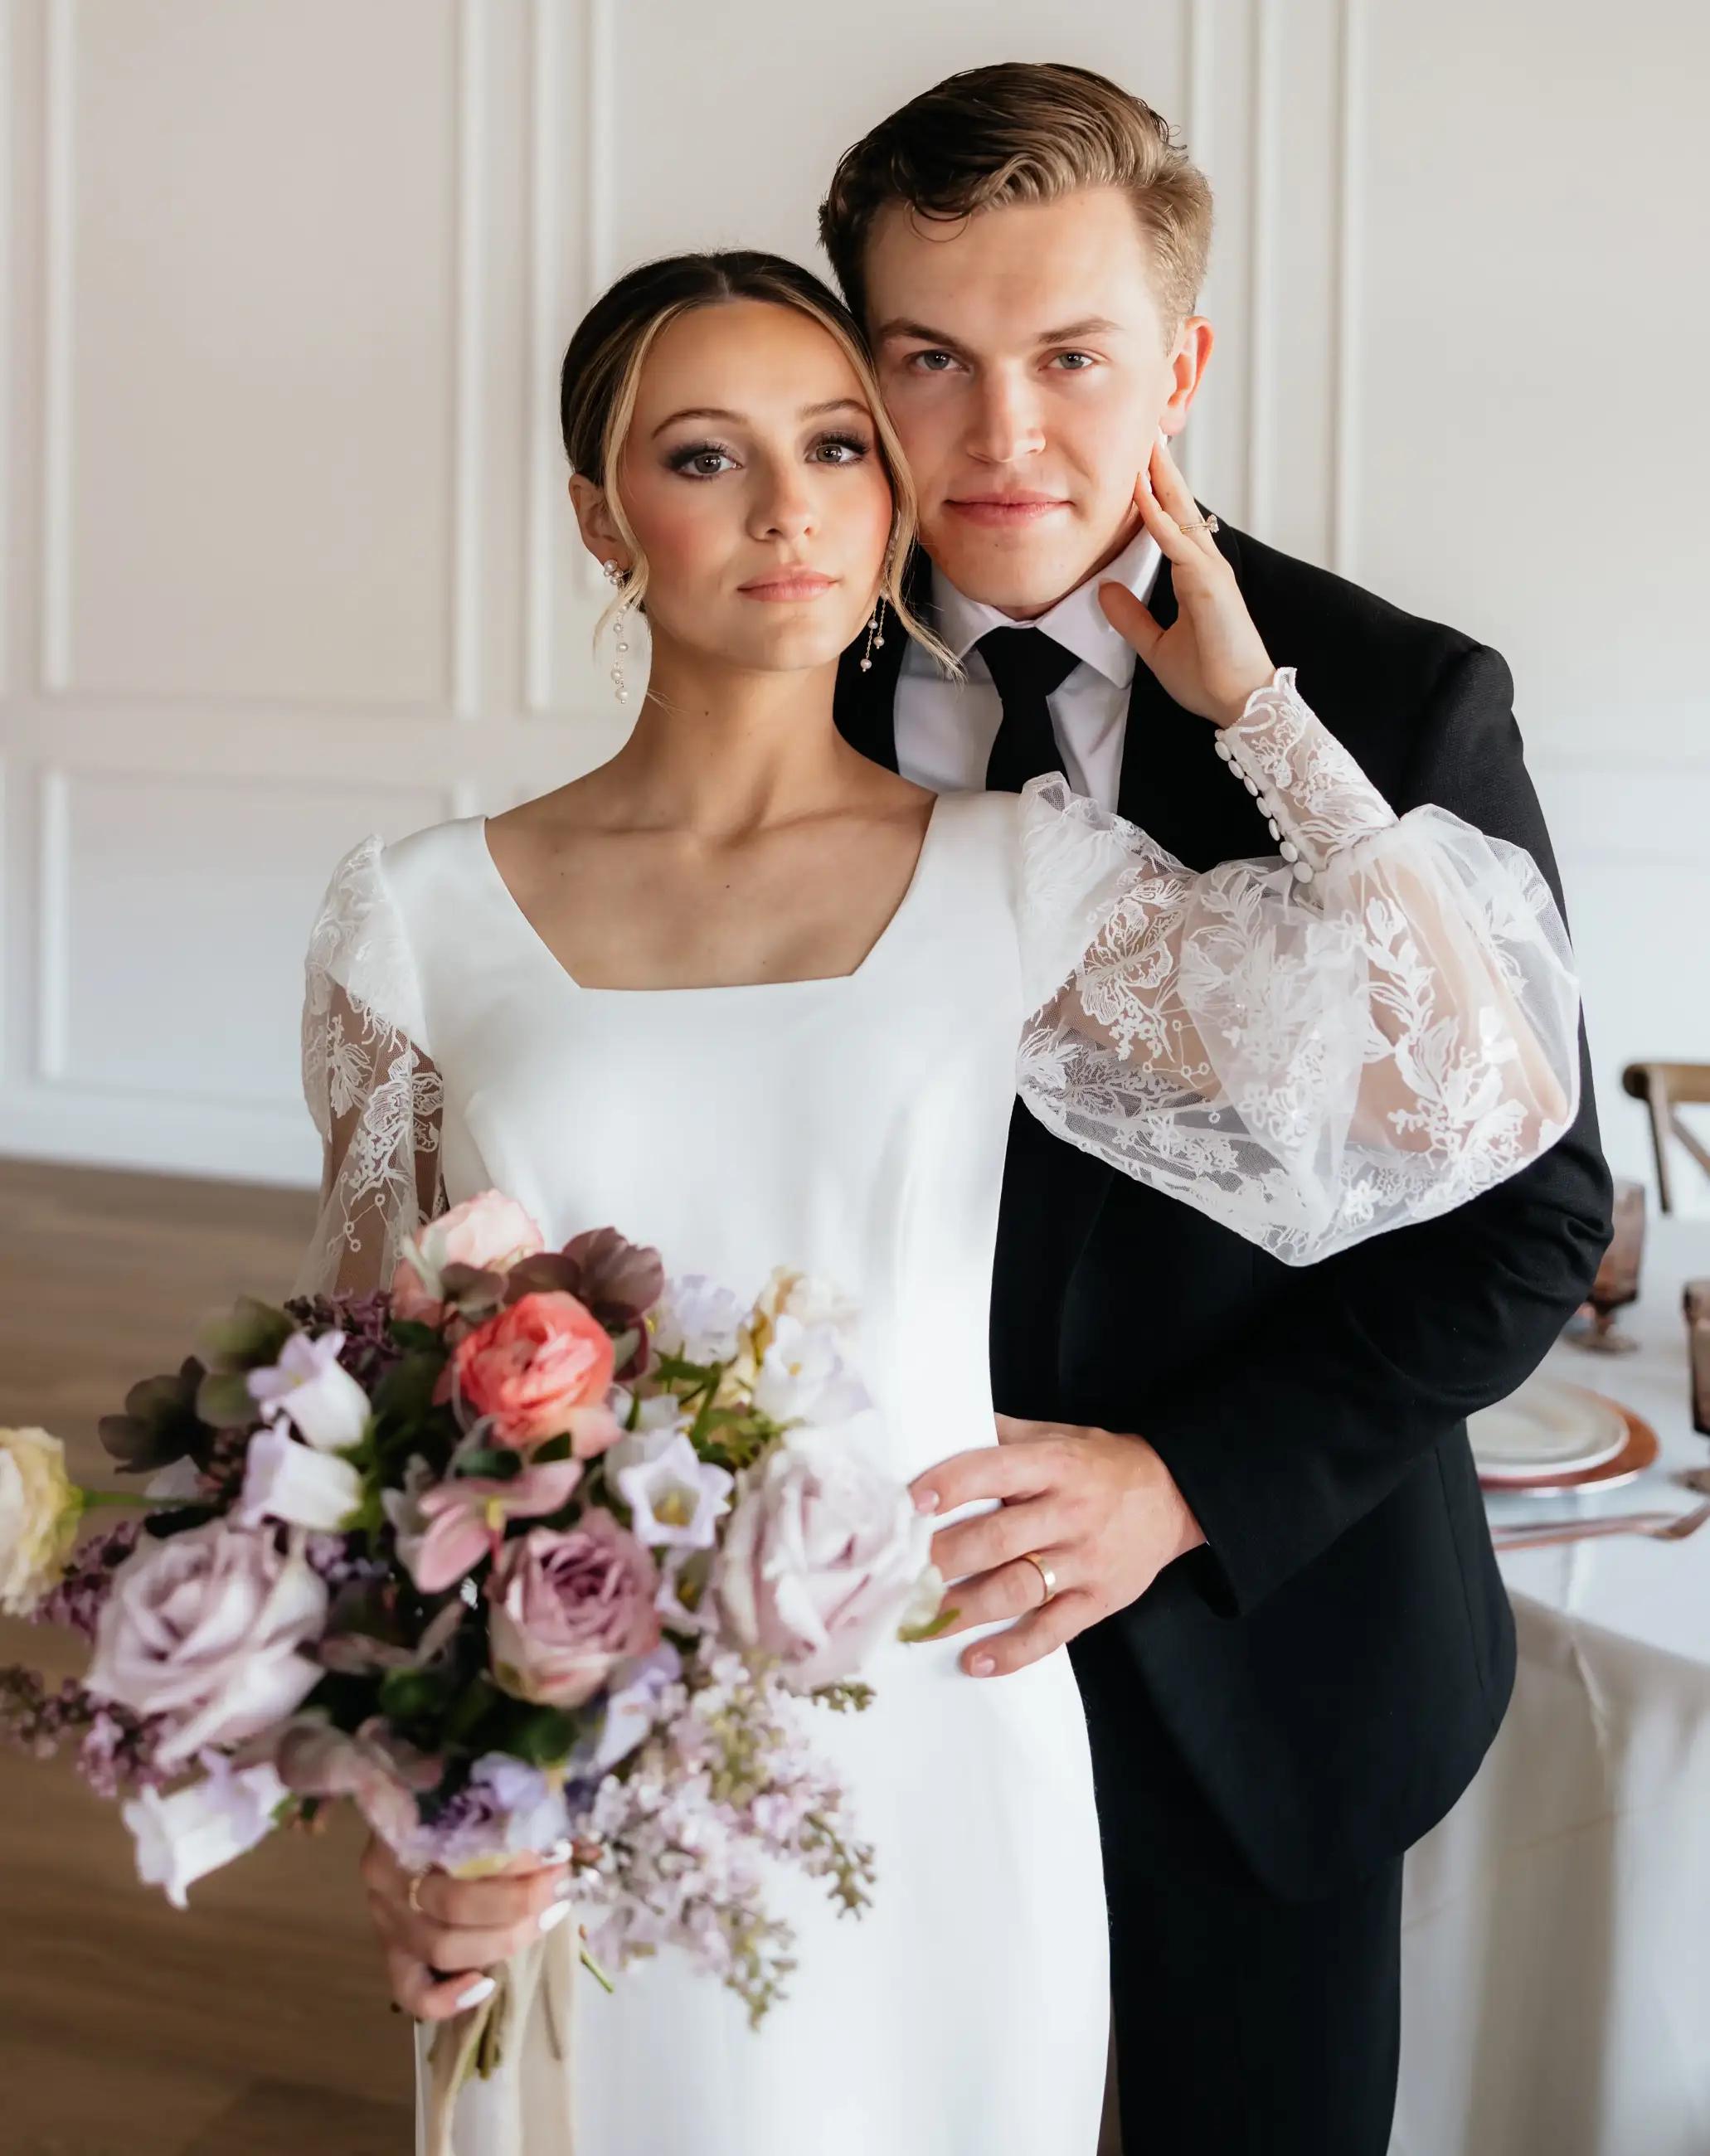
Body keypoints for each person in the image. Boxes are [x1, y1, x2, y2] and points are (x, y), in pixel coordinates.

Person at [308, 244, 1581, 2154]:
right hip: (571, 1739)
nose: (789, 508)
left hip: (941, 1717)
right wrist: (412, 1819)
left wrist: (1251, 708)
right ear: (599, 512)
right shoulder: (401, 918)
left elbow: (1470, 1098)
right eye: (704, 455)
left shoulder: (1020, 875)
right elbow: (363, 1433)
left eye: (832, 444)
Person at [819, 62, 1615, 2156]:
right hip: (845, 1647)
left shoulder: (1398, 695)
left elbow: (1530, 1218)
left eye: (1070, 357)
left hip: (1261, 1647)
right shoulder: (778, 683)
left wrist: (1180, 1482)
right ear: (861, 369)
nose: (1002, 436)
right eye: (931, 358)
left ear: (1174, 357)